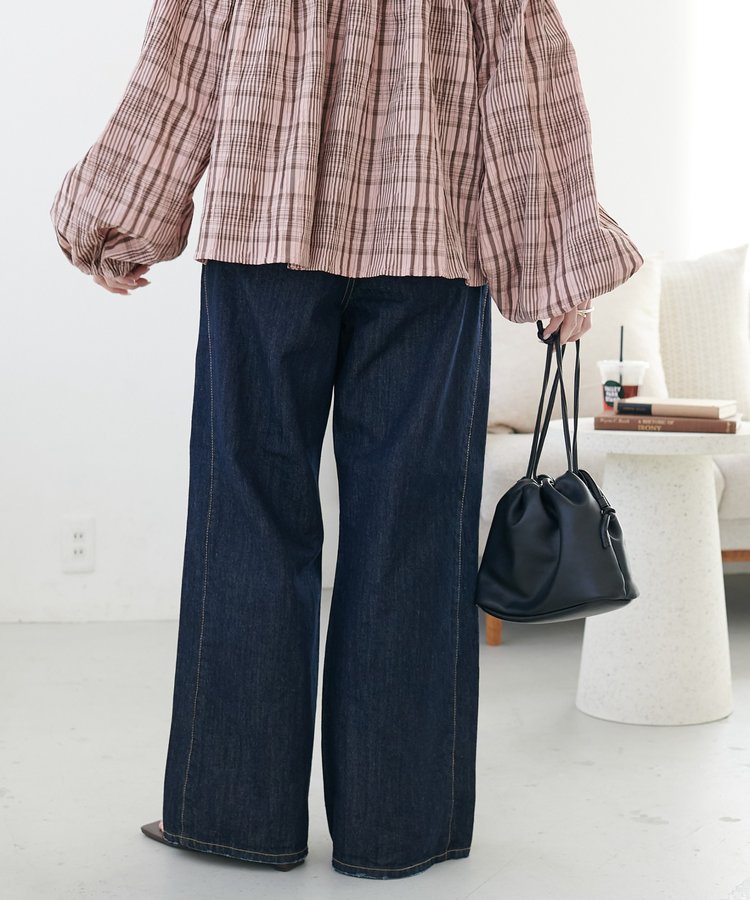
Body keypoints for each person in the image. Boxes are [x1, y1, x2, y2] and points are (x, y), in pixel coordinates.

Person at [50, 0, 643, 880]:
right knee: (414, 533)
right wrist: (557, 266)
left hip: (264, 242)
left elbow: (181, 71)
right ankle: (396, 830)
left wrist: (117, 221)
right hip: (430, 256)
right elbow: (526, 94)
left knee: (247, 522)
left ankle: (236, 819)